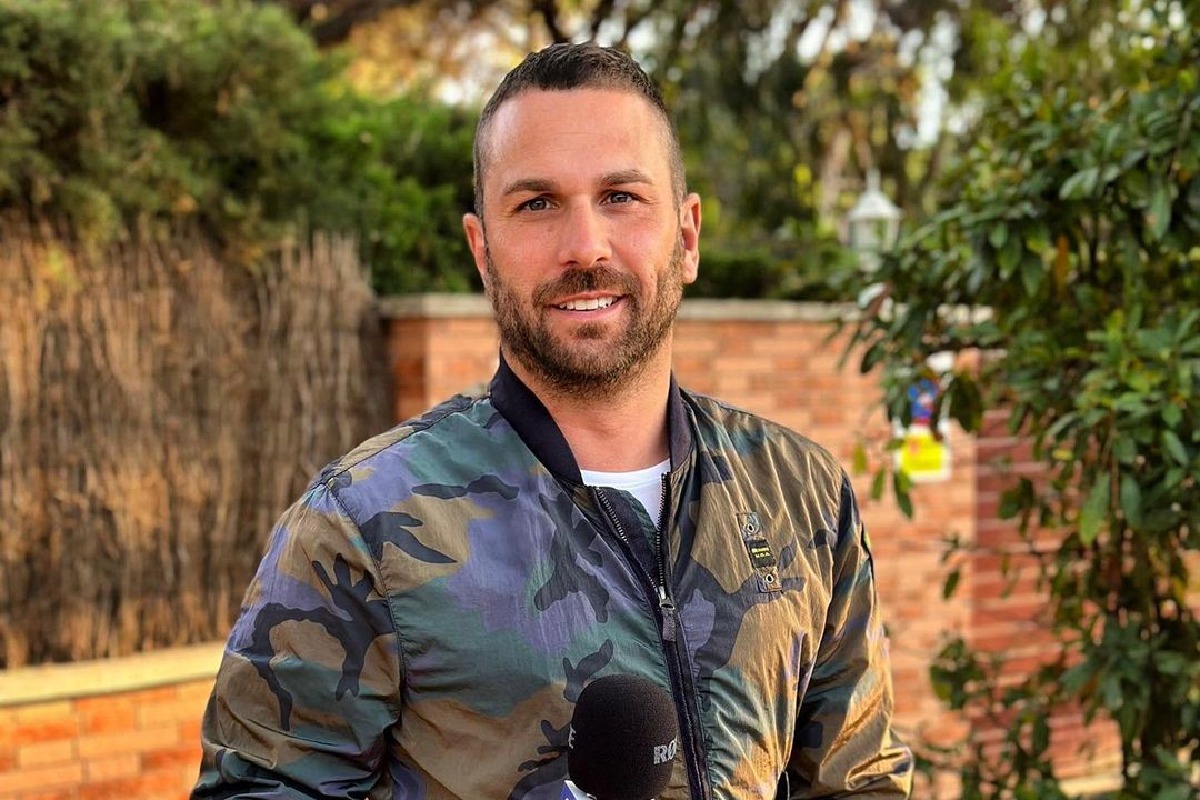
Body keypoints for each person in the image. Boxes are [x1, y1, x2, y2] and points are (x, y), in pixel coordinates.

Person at [192, 42, 913, 800]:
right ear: (482, 251)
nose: (584, 247)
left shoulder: (800, 492)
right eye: (537, 204)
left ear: (687, 235)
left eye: (621, 196)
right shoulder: (362, 525)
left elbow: (859, 782)